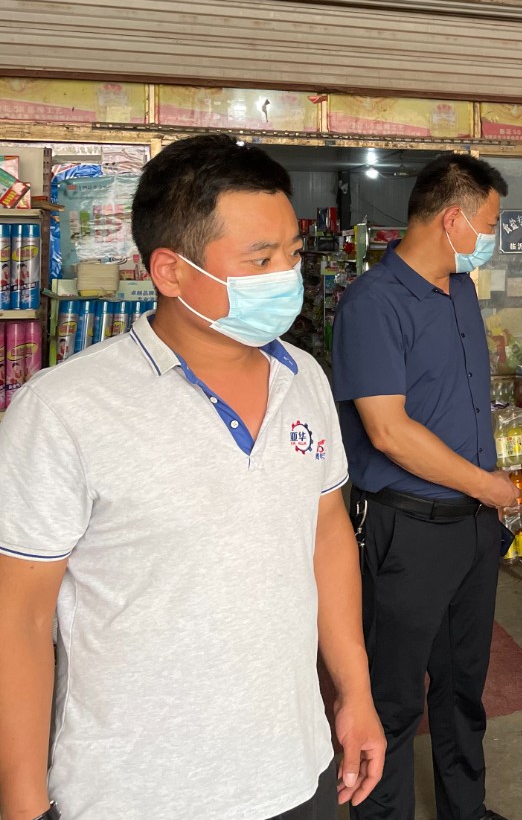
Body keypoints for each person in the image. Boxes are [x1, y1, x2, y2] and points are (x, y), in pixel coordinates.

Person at [0, 134, 384, 820]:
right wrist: (23, 802)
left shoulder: (305, 379)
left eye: (292, 255)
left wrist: (354, 691)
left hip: (295, 771)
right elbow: (19, 619)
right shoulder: (63, 410)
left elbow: (326, 536)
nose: (286, 277)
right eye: (260, 259)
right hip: (133, 794)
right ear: (170, 272)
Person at [333, 153, 518, 820]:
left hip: (472, 526)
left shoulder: (459, 289)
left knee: (463, 685)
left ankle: (465, 808)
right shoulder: (373, 304)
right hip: (407, 530)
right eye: (489, 224)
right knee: (391, 699)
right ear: (452, 219)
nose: (492, 237)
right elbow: (388, 431)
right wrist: (488, 485)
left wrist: (484, 498)